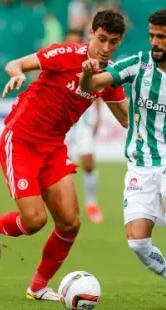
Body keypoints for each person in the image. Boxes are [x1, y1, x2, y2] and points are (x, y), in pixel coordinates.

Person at [0, 9, 128, 302]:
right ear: (90, 34)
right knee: (34, 221)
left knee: (70, 223)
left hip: (53, 147)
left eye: (113, 42)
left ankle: (37, 287)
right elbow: (15, 63)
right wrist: (19, 72)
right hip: (20, 140)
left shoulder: (109, 76)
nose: (106, 47)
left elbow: (126, 119)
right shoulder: (66, 53)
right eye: (102, 39)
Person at [80, 8, 166, 310]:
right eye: (152, 35)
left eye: (162, 37)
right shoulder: (137, 64)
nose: (155, 42)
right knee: (138, 242)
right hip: (140, 163)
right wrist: (88, 73)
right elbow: (91, 86)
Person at [63, 28, 105, 223]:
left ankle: (91, 202)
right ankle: (64, 207)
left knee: (88, 162)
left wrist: (97, 117)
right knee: (61, 168)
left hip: (83, 122)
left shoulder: (91, 65)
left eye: (76, 42)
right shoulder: (59, 63)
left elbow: (97, 92)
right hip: (63, 121)